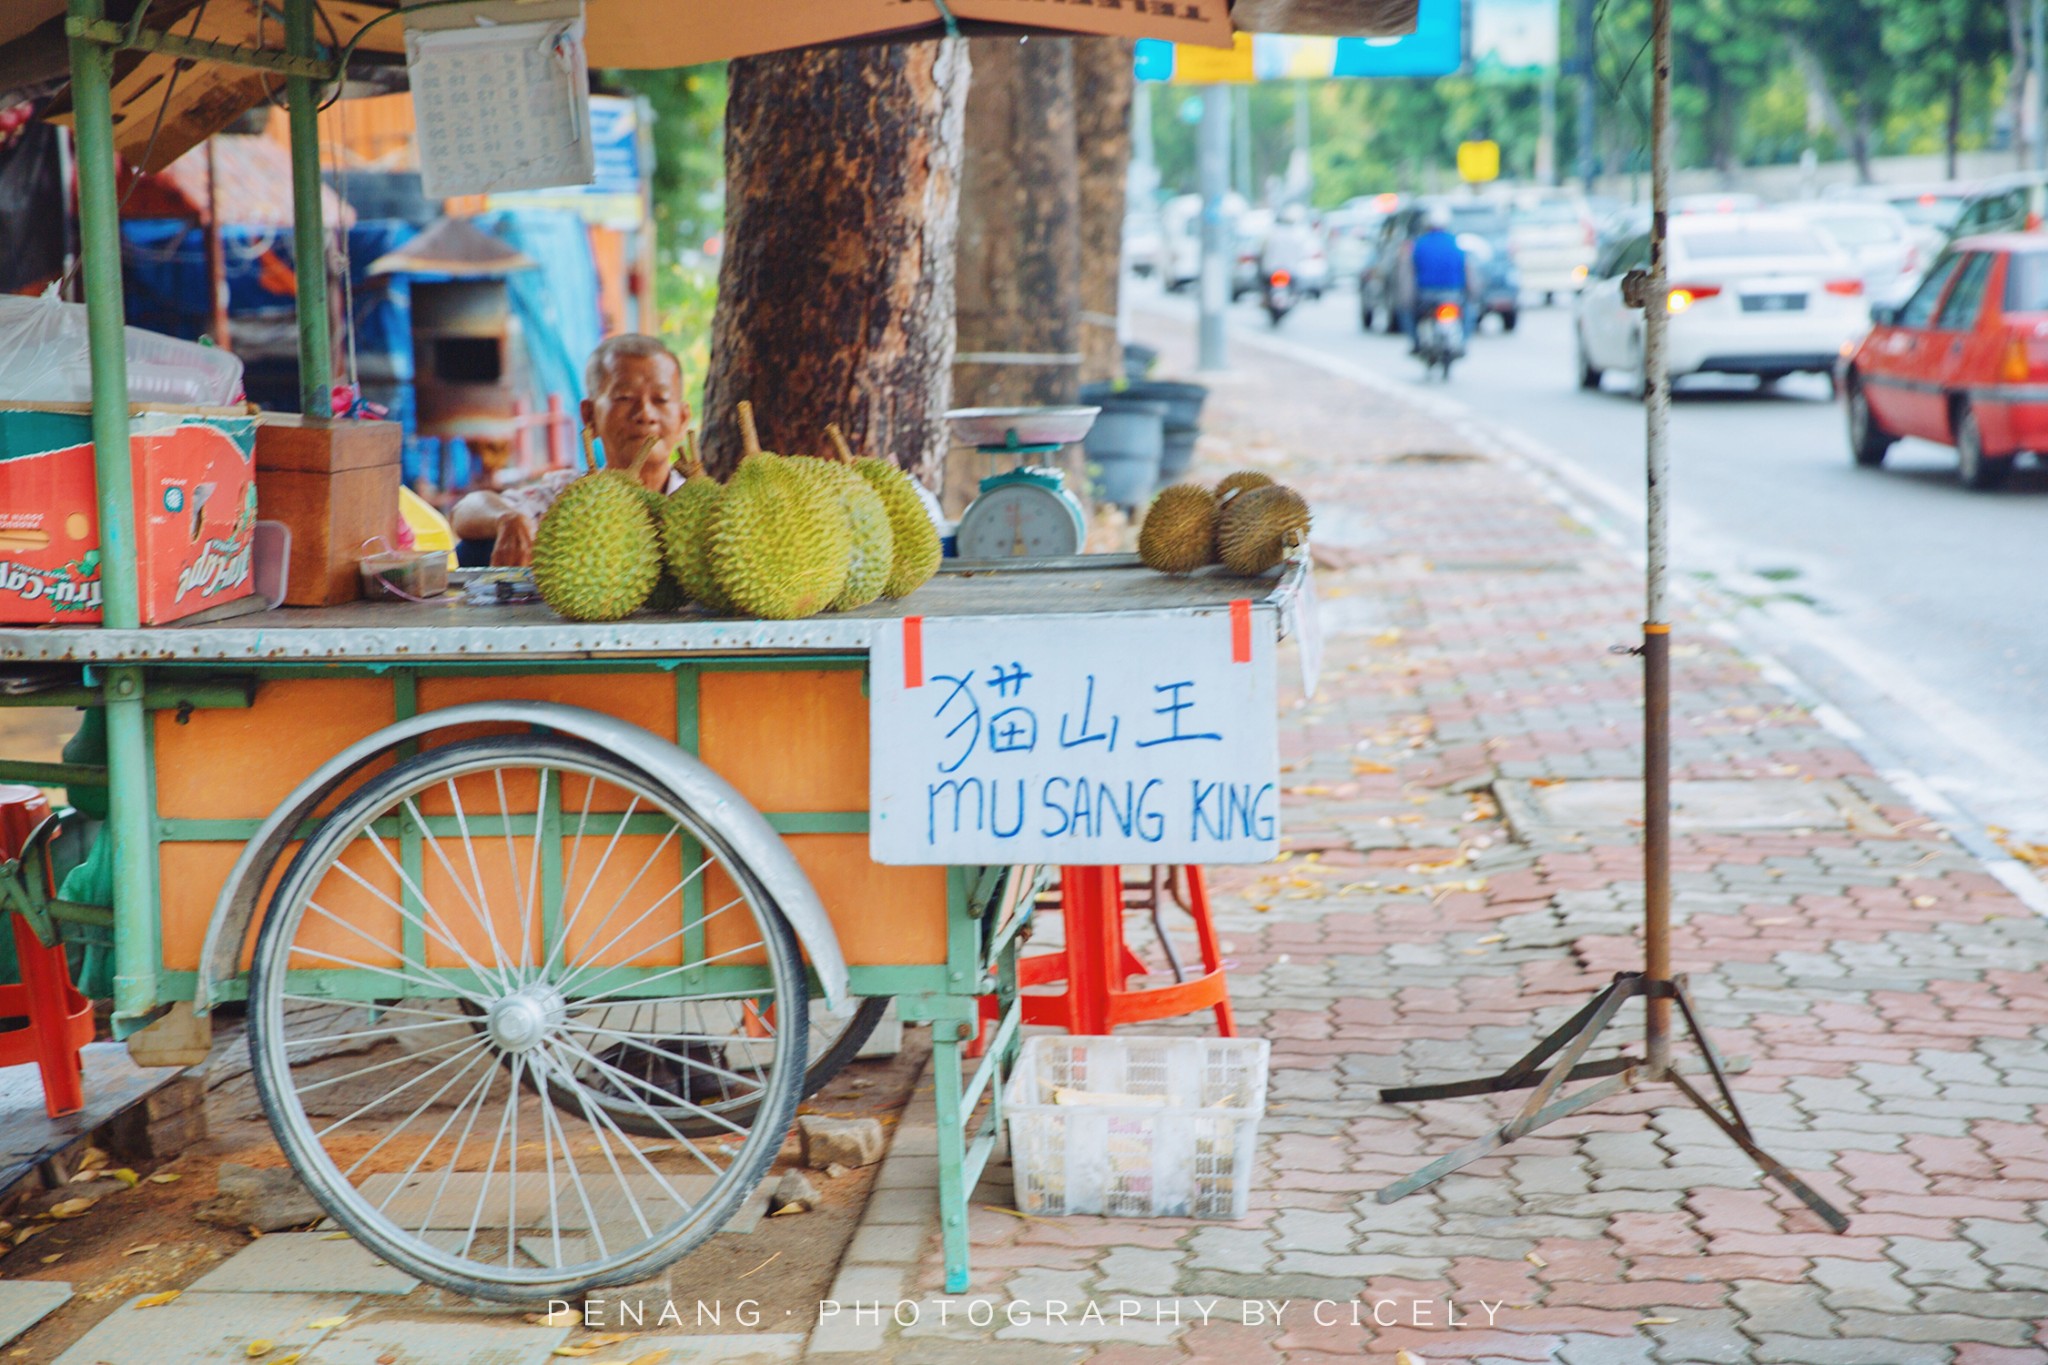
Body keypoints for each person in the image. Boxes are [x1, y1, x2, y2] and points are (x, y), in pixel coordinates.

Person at [451, 333, 692, 565]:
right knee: (472, 550)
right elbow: (464, 511)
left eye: (660, 399)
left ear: (682, 419)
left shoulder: (703, 510)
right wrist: (507, 519)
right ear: (589, 416)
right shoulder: (565, 496)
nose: (645, 414)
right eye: (624, 397)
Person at [1402, 205, 1473, 349]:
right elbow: (1465, 268)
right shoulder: (1455, 242)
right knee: (1470, 311)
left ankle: (1416, 343)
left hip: (1426, 295)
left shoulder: (1420, 243)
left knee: (1407, 313)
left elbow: (1411, 269)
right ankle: (1463, 343)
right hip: (1453, 294)